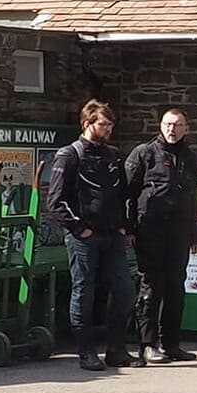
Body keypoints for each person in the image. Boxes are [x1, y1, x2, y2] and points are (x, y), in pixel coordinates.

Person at [47, 100, 137, 372]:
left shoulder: (113, 155)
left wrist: (124, 226)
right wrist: (79, 229)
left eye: (110, 124)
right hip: (84, 237)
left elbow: (123, 195)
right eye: (103, 124)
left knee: (124, 290)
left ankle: (116, 350)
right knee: (83, 291)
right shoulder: (68, 155)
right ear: (87, 124)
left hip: (112, 235)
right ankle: (86, 353)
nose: (108, 128)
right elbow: (55, 202)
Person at [125, 108, 197, 364]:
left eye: (178, 125)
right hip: (150, 229)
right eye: (168, 124)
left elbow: (195, 199)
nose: (172, 129)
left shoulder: (192, 159)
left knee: (176, 288)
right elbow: (127, 193)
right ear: (160, 126)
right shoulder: (144, 153)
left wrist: (196, 235)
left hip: (179, 231)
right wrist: (128, 229)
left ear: (187, 129)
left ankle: (171, 344)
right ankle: (148, 344)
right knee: (151, 286)